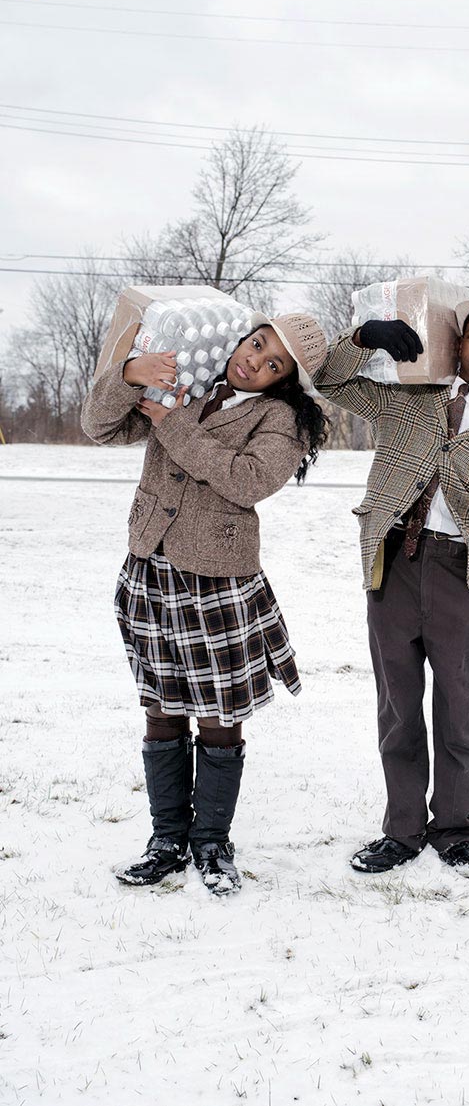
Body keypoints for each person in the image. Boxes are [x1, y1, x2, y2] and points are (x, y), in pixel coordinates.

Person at [81, 314, 329, 895]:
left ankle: (212, 842)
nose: (255, 361)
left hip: (219, 577)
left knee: (220, 715)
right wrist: (129, 374)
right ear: (244, 336)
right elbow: (99, 427)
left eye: (274, 364)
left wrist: (172, 424)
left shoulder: (281, 419)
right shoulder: (188, 382)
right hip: (151, 564)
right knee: (160, 708)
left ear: (285, 380)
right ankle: (166, 839)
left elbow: (245, 480)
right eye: (257, 344)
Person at [314, 286, 469, 879]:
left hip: (459, 574)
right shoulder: (409, 396)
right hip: (391, 562)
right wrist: (363, 339)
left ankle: (456, 830)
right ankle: (402, 829)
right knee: (398, 704)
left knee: (459, 706)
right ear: (458, 342)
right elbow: (328, 381)